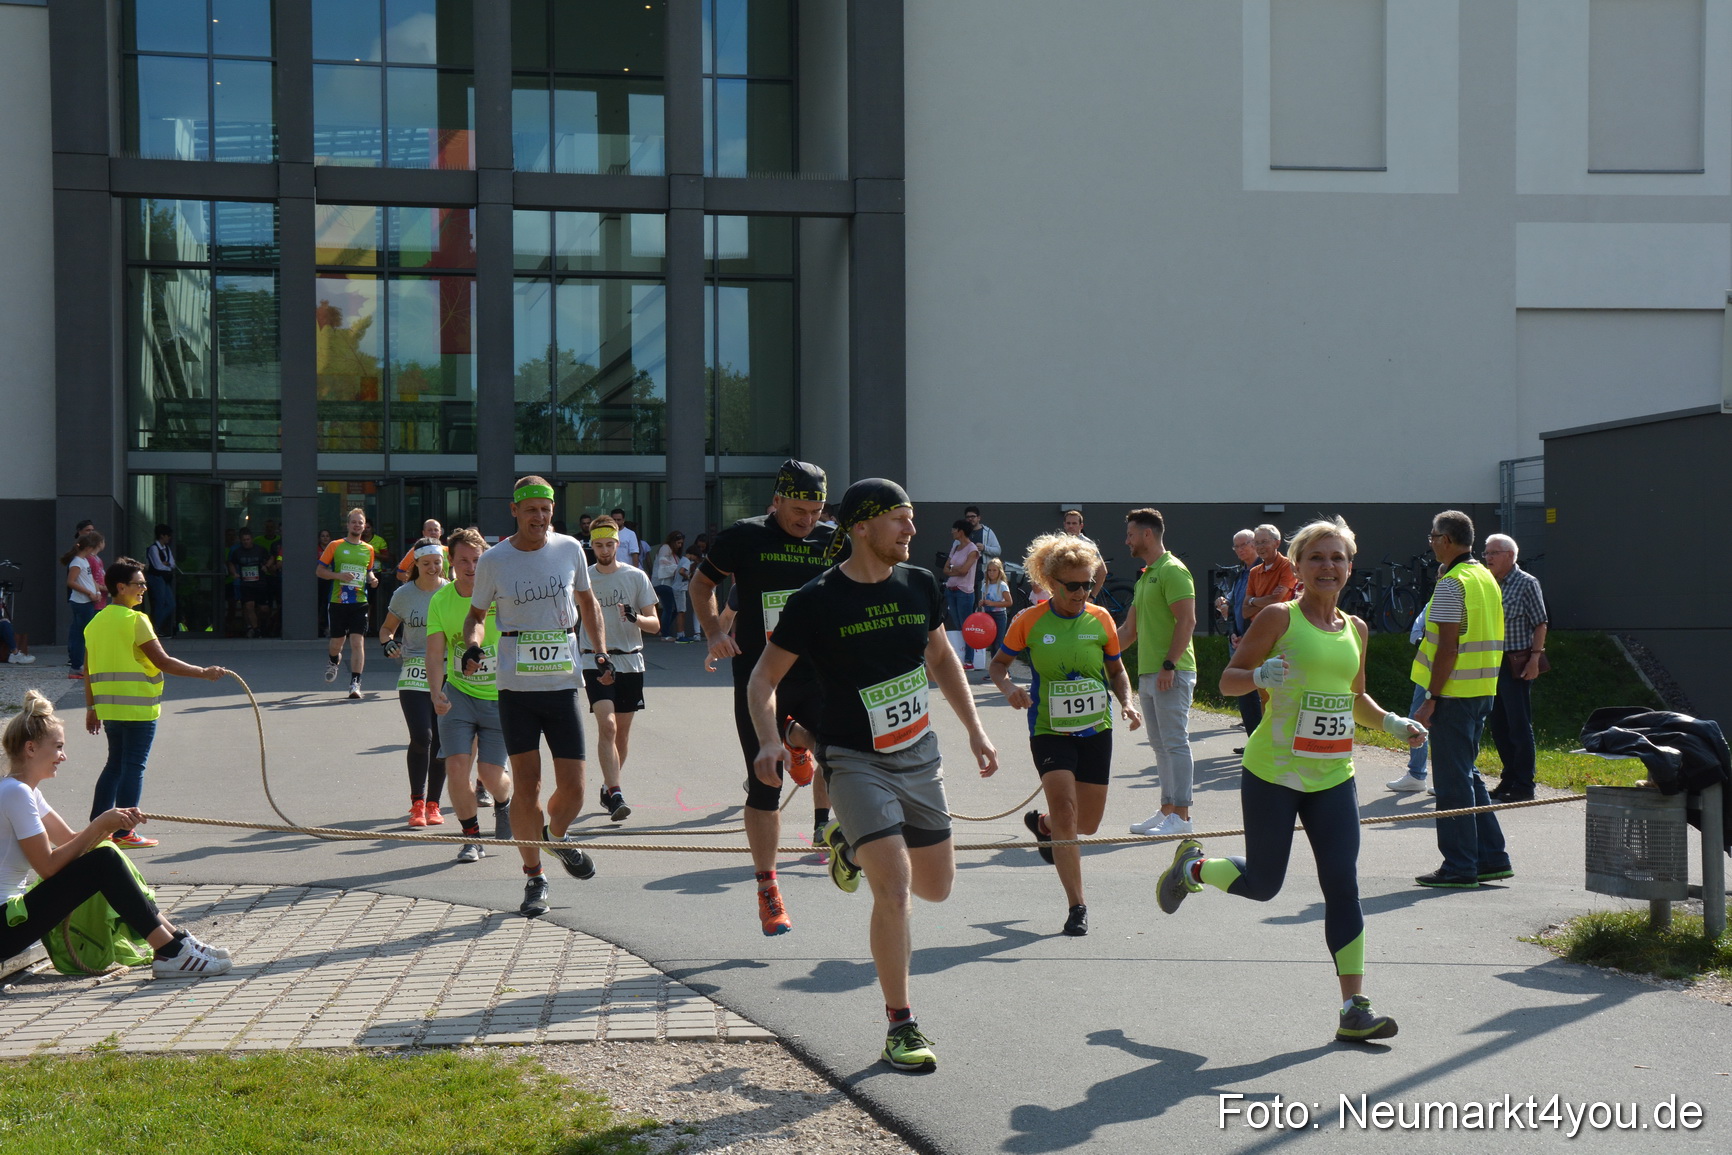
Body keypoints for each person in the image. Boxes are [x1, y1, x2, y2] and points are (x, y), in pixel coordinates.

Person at [749, 479, 999, 1072]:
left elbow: (941, 657)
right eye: (899, 519)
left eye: (911, 519)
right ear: (861, 527)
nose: (912, 530)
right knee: (896, 889)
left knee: (937, 887)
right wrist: (768, 741)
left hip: (919, 756)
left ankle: (849, 845)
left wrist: (975, 729)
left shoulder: (920, 584)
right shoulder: (816, 599)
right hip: (854, 762)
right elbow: (763, 679)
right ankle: (900, 1025)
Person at [1156, 516, 1424, 1042]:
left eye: (1338, 558)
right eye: (1317, 557)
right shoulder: (1279, 617)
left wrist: (1394, 723)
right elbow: (1228, 681)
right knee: (1263, 885)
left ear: (1350, 567)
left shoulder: (1356, 629)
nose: (1328, 566)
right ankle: (1193, 868)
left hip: (1333, 776)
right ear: (1297, 566)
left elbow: (1355, 698)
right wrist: (1259, 675)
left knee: (1343, 886)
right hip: (1274, 773)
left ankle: (1353, 1009)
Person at [690, 460, 836, 936]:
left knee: (843, 754)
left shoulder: (833, 540)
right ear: (777, 501)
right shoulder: (744, 536)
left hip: (817, 674)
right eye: (798, 511)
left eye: (816, 511)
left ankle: (833, 824)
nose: (807, 521)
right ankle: (768, 888)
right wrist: (715, 632)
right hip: (761, 679)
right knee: (765, 782)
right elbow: (702, 584)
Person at [3, 692, 232, 978]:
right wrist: (100, 825)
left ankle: (176, 942)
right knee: (104, 861)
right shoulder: (16, 793)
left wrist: (109, 825)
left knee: (106, 856)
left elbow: (71, 841)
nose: (63, 756)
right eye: (58, 747)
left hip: (11, 918)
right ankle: (170, 951)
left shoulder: (23, 791)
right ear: (31, 748)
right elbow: (48, 867)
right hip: (5, 925)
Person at [463, 477, 610, 918]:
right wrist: (473, 645)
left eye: (545, 510)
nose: (539, 518)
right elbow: (475, 615)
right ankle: (534, 877)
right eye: (531, 510)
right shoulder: (494, 560)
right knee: (527, 786)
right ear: (515, 511)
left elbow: (588, 603)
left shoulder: (570, 549)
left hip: (562, 685)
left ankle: (556, 837)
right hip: (516, 689)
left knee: (575, 789)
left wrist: (600, 651)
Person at [989, 534, 1140, 937]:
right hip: (1048, 729)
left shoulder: (1101, 619)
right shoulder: (1029, 621)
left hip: (1096, 729)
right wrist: (1009, 688)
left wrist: (1127, 703)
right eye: (1072, 585)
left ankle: (1044, 825)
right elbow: (998, 665)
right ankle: (1077, 905)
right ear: (1052, 582)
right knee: (1068, 814)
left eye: (1087, 584)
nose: (1080, 592)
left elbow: (1117, 670)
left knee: (1087, 824)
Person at [82, 557, 228, 849]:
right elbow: (163, 661)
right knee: (133, 766)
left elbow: (87, 669)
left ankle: (97, 831)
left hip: (110, 707)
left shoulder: (95, 622)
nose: (144, 589)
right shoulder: (136, 620)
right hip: (138, 706)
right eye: (139, 584)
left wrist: (91, 708)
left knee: (114, 765)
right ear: (121, 587)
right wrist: (203, 672)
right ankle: (124, 833)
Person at [1410, 510, 1513, 889]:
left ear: (1446, 540)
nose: (1431, 543)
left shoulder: (1452, 584)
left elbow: (1448, 648)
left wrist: (1431, 698)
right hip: (1482, 689)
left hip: (1452, 694)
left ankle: (1459, 865)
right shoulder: (1484, 577)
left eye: (1433, 537)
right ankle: (1490, 858)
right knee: (1467, 774)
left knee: (1453, 782)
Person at [427, 528, 514, 864]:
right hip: (459, 695)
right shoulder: (441, 600)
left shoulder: (500, 594)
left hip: (500, 695)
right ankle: (471, 838)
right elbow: (434, 654)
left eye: (477, 560)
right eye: (463, 560)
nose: (471, 567)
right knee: (457, 768)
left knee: (491, 775)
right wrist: (436, 693)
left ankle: (504, 802)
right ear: (451, 561)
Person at [1119, 509, 1200, 838]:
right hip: (1149, 674)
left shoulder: (1172, 570)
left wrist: (1169, 664)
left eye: (1130, 535)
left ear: (1147, 534)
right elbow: (1128, 631)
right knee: (1160, 745)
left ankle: (1182, 815)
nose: (1127, 541)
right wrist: (1095, 655)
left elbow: (1187, 620)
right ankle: (1167, 810)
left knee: (1175, 743)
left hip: (1172, 672)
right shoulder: (1145, 577)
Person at [579, 516, 659, 822]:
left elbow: (655, 624)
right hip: (595, 659)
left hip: (630, 660)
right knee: (608, 726)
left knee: (621, 735)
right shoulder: (583, 578)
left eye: (609, 544)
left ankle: (607, 786)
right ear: (592, 545)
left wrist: (636, 618)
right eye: (598, 545)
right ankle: (615, 793)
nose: (604, 550)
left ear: (618, 544)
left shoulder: (635, 576)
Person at [381, 538, 448, 827]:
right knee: (423, 736)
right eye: (426, 563)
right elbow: (386, 628)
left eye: (437, 562)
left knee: (442, 741)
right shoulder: (404, 594)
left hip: (447, 670)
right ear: (416, 565)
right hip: (414, 671)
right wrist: (388, 643)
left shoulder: (451, 591)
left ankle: (434, 804)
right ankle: (417, 803)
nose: (432, 568)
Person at [1483, 534, 1548, 803]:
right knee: (1498, 724)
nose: (1487, 558)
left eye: (1493, 553)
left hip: (1517, 663)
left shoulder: (1526, 583)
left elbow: (1540, 623)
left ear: (1510, 555)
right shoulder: (1488, 583)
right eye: (1486, 553)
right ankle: (1508, 777)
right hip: (1491, 663)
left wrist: (1535, 659)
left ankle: (1524, 784)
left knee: (1518, 725)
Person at [316, 508, 379, 700]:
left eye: (361, 522)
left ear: (364, 526)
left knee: (357, 642)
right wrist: (338, 576)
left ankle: (355, 683)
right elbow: (319, 571)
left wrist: (372, 579)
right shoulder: (335, 546)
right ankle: (333, 660)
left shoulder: (368, 549)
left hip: (359, 601)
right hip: (338, 601)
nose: (357, 525)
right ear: (348, 524)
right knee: (337, 643)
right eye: (354, 522)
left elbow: (368, 571)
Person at [1214, 529, 1260, 747]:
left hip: (1256, 641)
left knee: (1258, 694)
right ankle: (1253, 743)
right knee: (1245, 693)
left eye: (1244, 544)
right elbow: (1234, 607)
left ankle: (1259, 744)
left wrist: (1247, 636)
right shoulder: (1242, 573)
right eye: (1237, 546)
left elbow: (1261, 608)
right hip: (1239, 638)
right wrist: (1233, 631)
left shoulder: (1261, 571)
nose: (1240, 550)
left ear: (1255, 544)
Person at [1385, 605, 1433, 793]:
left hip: (1453, 673)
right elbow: (1415, 633)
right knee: (1417, 719)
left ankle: (1452, 779)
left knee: (1449, 724)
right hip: (1427, 671)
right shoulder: (1435, 600)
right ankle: (1417, 775)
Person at [62, 530, 104, 679]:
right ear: (88, 548)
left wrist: (96, 591)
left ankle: (78, 665)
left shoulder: (84, 561)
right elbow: (71, 582)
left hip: (86, 601)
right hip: (81, 602)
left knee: (80, 634)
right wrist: (89, 593)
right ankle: (76, 667)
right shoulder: (77, 562)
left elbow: (90, 579)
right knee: (81, 636)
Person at [1242, 523, 1295, 623]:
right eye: (1257, 543)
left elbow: (1276, 599)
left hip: (1280, 626)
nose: (1260, 547)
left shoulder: (1288, 565)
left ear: (1277, 543)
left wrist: (1252, 601)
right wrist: (1268, 600)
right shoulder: (1254, 572)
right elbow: (1245, 612)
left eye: (1264, 542)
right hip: (1258, 626)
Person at [942, 520, 980, 652]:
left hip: (964, 592)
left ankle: (969, 658)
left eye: (954, 529)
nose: (952, 532)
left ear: (961, 531)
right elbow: (945, 569)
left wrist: (953, 568)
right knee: (958, 625)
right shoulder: (955, 547)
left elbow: (964, 571)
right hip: (951, 590)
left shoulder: (972, 549)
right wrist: (956, 569)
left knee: (966, 626)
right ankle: (962, 653)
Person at [227, 528, 271, 638]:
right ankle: (255, 629)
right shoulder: (237, 552)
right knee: (249, 606)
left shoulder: (260, 550)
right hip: (246, 584)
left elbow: (271, 558)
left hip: (260, 583)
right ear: (241, 541)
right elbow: (231, 563)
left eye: (248, 539)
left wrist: (267, 566)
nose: (246, 542)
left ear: (252, 539)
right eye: (244, 540)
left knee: (263, 609)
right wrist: (234, 573)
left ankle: (262, 624)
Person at [1059, 510, 1108, 597]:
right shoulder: (1059, 543)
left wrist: (1092, 596)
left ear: (1081, 526)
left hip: (1081, 593)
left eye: (1074, 523)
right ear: (1064, 525)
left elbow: (1102, 571)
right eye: (1068, 523)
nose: (1071, 526)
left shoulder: (1088, 544)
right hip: (1063, 593)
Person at [649, 531, 686, 640]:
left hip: (666, 583)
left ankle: (663, 631)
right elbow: (663, 566)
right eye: (678, 543)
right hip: (662, 583)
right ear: (673, 541)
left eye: (681, 543)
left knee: (673, 609)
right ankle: (664, 634)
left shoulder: (672, 552)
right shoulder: (666, 548)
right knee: (669, 609)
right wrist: (678, 568)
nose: (680, 546)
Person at [144, 524, 178, 638]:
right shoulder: (153, 548)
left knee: (170, 604)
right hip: (156, 578)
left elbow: (172, 564)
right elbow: (158, 566)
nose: (169, 538)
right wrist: (167, 565)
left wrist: (166, 564)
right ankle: (154, 627)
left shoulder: (166, 549)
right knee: (160, 602)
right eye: (167, 535)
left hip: (163, 578)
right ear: (162, 535)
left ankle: (154, 625)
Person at [979, 557, 1012, 649]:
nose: (991, 573)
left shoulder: (1002, 585)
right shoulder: (985, 585)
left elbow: (1009, 602)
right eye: (989, 570)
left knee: (998, 642)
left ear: (999, 571)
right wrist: (982, 602)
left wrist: (993, 603)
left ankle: (997, 658)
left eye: (994, 570)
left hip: (999, 615)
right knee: (989, 641)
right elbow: (986, 600)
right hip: (988, 615)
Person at [314, 528, 334, 633]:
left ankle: (326, 626)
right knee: (317, 603)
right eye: (323, 536)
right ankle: (316, 627)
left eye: (327, 536)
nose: (325, 538)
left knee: (328, 603)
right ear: (319, 538)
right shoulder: (315, 549)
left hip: (330, 579)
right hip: (317, 579)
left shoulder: (333, 549)